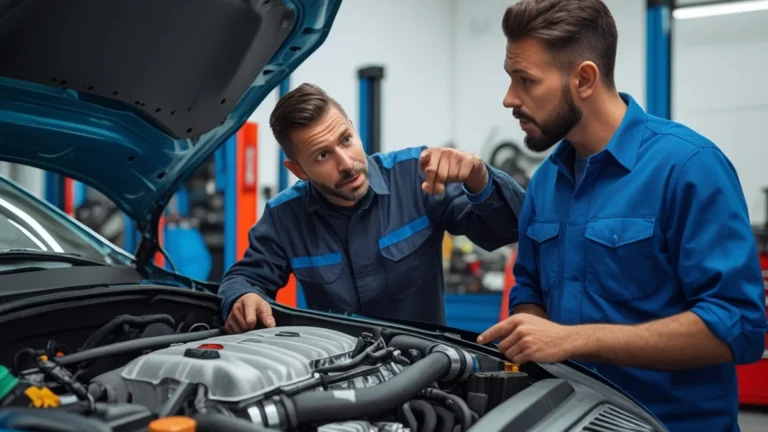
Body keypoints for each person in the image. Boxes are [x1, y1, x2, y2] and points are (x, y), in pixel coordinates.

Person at [476, 1, 768, 431]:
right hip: (568, 419)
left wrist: (574, 339)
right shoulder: (545, 183)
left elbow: (738, 327)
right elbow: (530, 290)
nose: (509, 99)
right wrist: (532, 325)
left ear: (584, 79)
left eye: (526, 81)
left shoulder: (689, 167)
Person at [219, 83, 526, 334]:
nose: (346, 163)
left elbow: (507, 229)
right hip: (338, 375)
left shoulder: (416, 176)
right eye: (322, 155)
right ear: (299, 170)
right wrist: (244, 296)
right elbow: (244, 278)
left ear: (353, 129)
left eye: (346, 139)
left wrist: (480, 178)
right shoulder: (285, 217)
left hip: (425, 371)